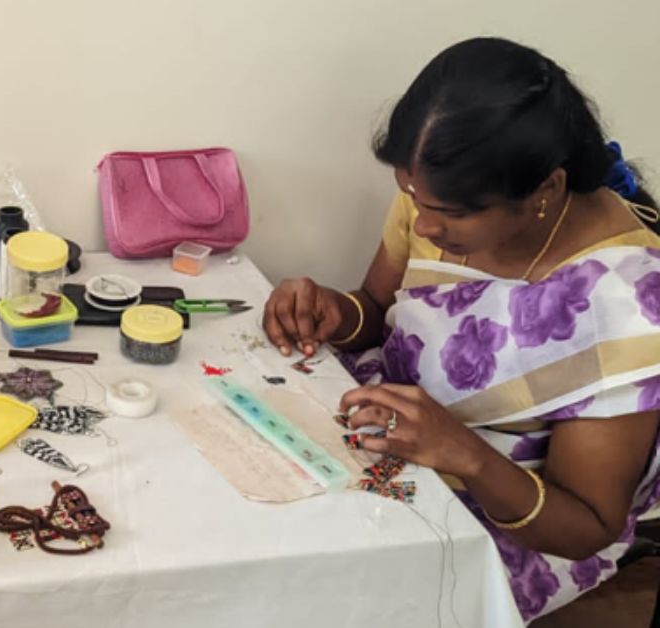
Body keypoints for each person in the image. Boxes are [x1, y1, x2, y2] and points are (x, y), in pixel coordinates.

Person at [262, 37, 660, 622]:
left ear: (545, 190)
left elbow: (586, 527)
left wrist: (465, 454)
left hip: (507, 525)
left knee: (308, 596)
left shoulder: (628, 302)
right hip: (382, 436)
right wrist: (334, 311)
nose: (424, 224)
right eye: (411, 197)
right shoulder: (441, 195)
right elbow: (378, 308)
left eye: (451, 213)